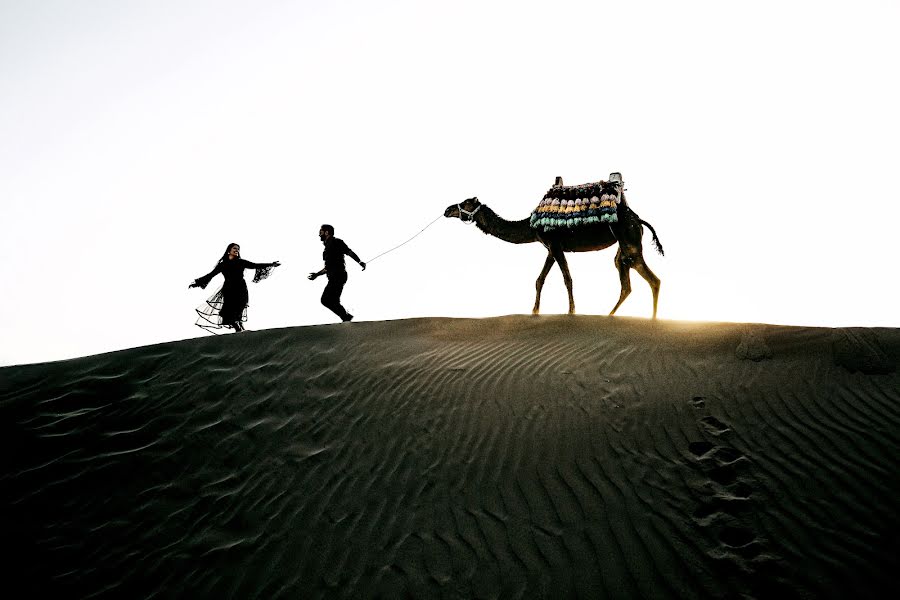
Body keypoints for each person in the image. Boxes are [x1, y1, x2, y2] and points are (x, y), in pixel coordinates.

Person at [190, 243, 280, 332]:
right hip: (229, 289)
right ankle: (238, 329)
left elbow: (255, 265)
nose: (237, 250)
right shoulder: (223, 264)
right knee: (228, 310)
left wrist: (271, 264)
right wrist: (196, 283)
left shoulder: (241, 262)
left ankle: (240, 328)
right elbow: (211, 275)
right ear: (229, 251)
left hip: (241, 287)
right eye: (235, 248)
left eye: (238, 249)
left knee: (240, 306)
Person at [308, 224, 365, 322]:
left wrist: (359, 262)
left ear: (327, 232)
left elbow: (349, 252)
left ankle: (346, 317)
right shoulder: (326, 249)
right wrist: (316, 275)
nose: (319, 234)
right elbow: (327, 268)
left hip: (338, 276)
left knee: (326, 300)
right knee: (333, 301)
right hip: (334, 276)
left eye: (320, 231)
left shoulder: (336, 242)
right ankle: (346, 318)